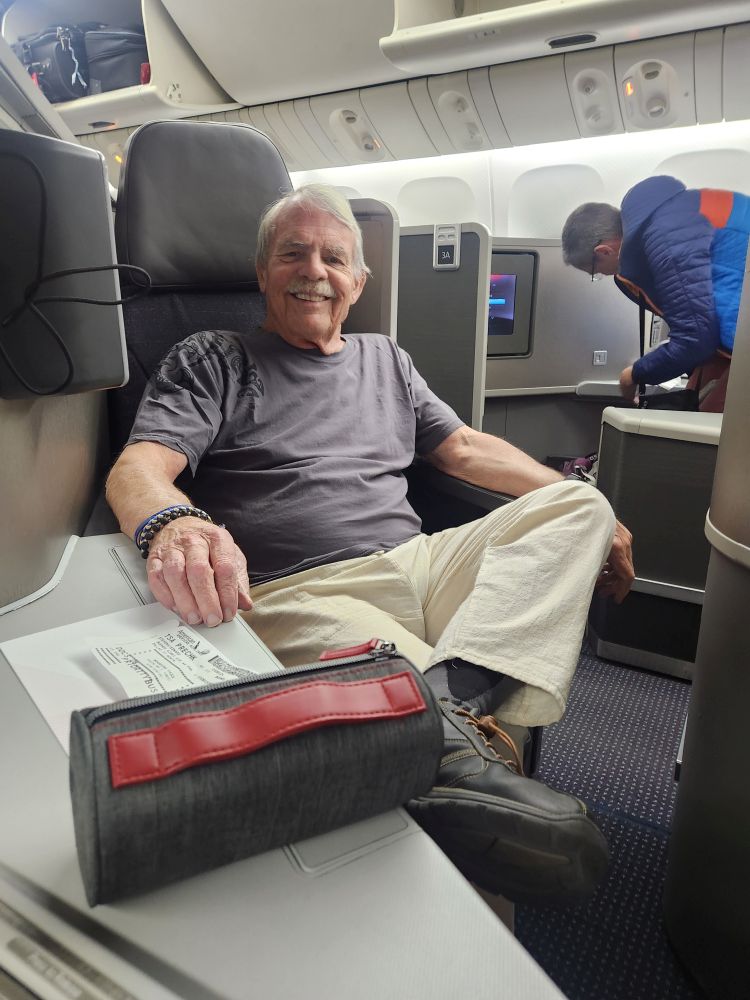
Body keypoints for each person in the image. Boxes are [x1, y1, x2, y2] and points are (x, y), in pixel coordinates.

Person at [106, 183, 634, 904]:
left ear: (358, 281)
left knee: (578, 503)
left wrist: (595, 513)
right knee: (395, 652)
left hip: (419, 563)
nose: (313, 271)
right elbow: (139, 467)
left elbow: (464, 449)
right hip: (302, 587)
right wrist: (176, 523)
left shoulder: (387, 357)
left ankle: (440, 724)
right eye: (292, 254)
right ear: (261, 273)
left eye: (334, 258)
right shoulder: (215, 356)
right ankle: (471, 744)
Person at [562, 175, 750, 412]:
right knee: (695, 400)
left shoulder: (666, 237)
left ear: (604, 251)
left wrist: (634, 374)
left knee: (715, 422)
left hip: (735, 341)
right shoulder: (668, 219)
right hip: (731, 341)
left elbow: (696, 338)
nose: (602, 275)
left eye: (594, 271)